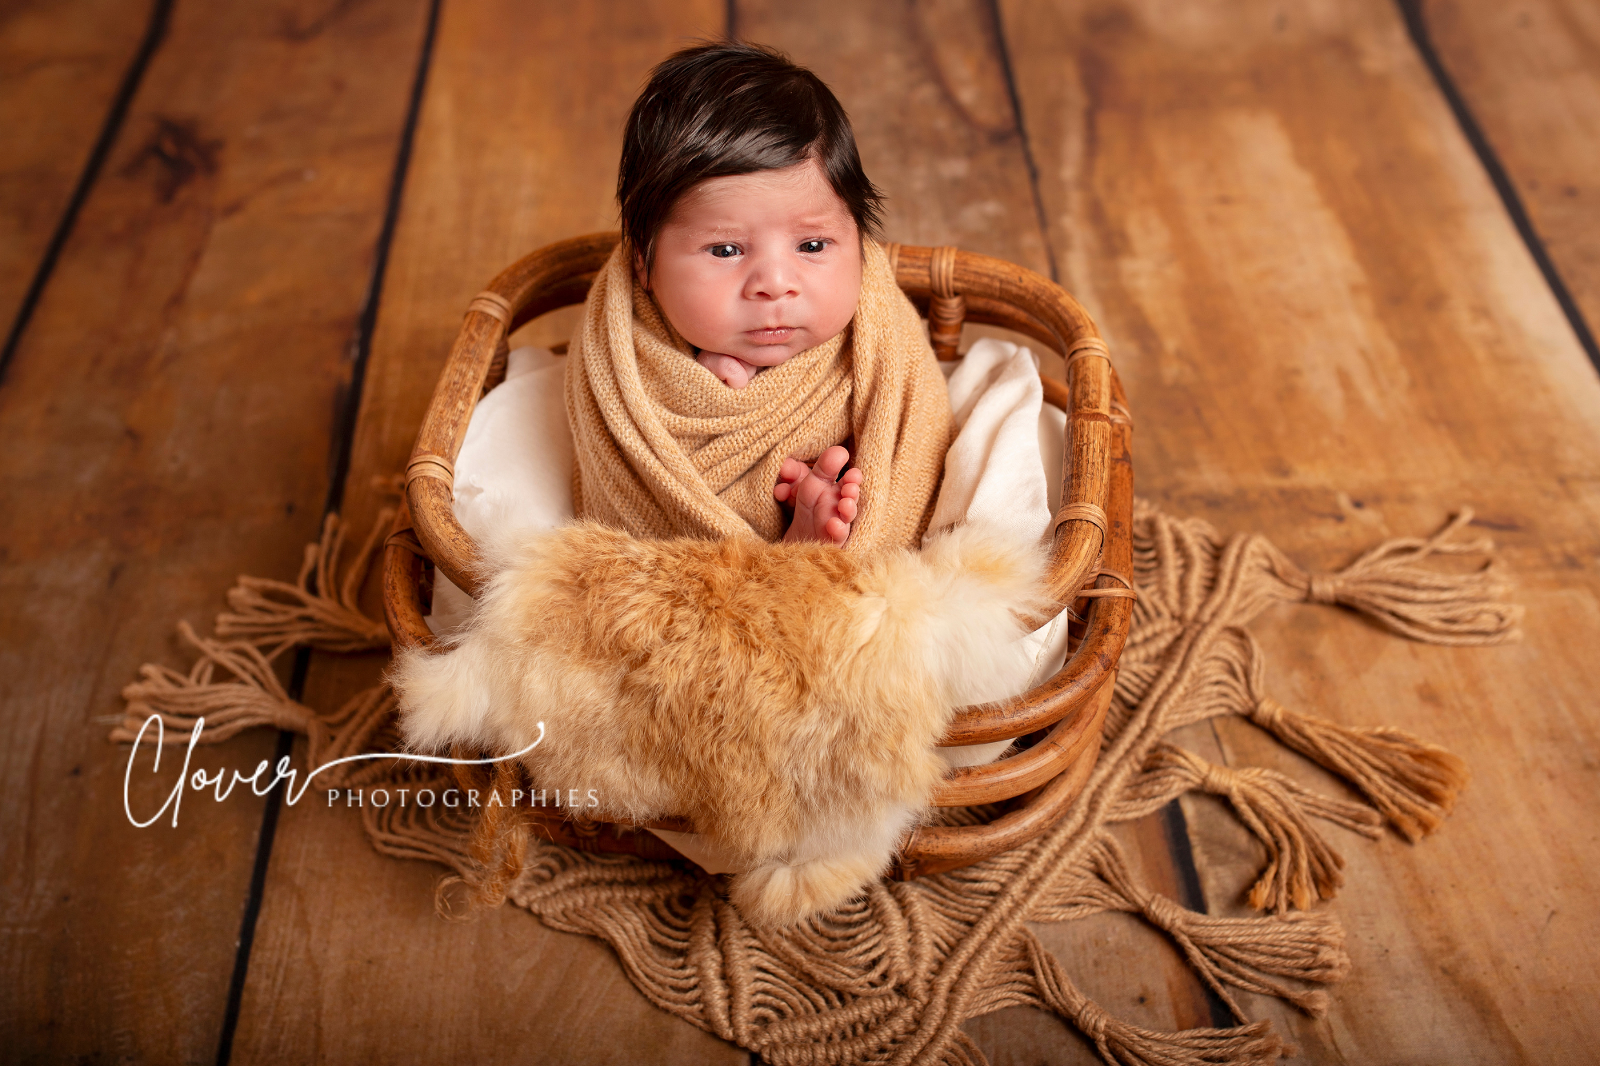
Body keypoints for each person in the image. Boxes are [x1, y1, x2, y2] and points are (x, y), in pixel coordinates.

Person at [566, 41, 952, 552]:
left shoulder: (878, 341)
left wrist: (828, 489)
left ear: (857, 241)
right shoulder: (620, 352)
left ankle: (810, 543)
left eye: (812, 245)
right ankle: (791, 556)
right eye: (725, 250)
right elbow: (623, 495)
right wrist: (699, 397)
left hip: (841, 560)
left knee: (847, 490)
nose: (773, 283)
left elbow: (914, 436)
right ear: (644, 262)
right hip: (688, 581)